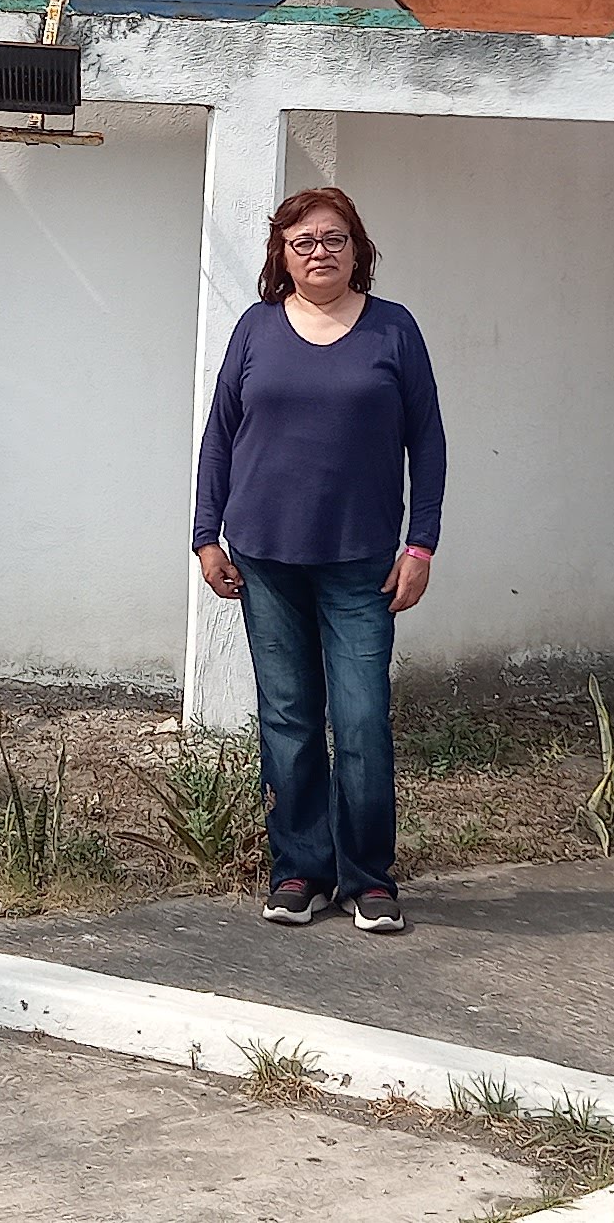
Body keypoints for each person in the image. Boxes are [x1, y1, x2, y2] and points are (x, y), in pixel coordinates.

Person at [191, 185, 445, 933]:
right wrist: (207, 536)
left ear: (357, 248)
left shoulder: (393, 331)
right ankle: (300, 870)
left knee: (362, 721)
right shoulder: (255, 330)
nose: (319, 253)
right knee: (289, 719)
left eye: (333, 239)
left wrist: (421, 544)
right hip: (265, 558)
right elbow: (220, 436)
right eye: (302, 242)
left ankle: (369, 878)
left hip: (362, 562)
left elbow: (426, 442)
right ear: (282, 254)